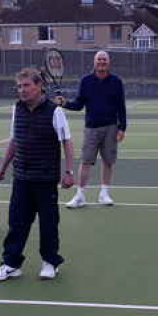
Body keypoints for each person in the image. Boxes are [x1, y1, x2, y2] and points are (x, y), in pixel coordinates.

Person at [0, 68, 76, 282]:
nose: (22, 90)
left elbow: (66, 141)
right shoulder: (16, 110)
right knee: (16, 223)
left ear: (39, 86)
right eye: (19, 86)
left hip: (46, 179)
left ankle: (50, 262)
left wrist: (68, 171)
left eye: (27, 85)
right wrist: (3, 167)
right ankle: (10, 264)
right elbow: (14, 141)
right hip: (21, 178)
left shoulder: (55, 111)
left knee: (48, 223)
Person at [58, 50, 126, 208]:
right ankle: (80, 196)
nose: (101, 62)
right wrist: (65, 103)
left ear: (108, 62)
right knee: (86, 161)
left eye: (104, 59)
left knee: (108, 162)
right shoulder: (86, 81)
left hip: (111, 127)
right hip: (91, 128)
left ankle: (104, 194)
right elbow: (79, 104)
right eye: (99, 59)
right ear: (94, 62)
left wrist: (122, 127)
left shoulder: (116, 81)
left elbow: (121, 106)